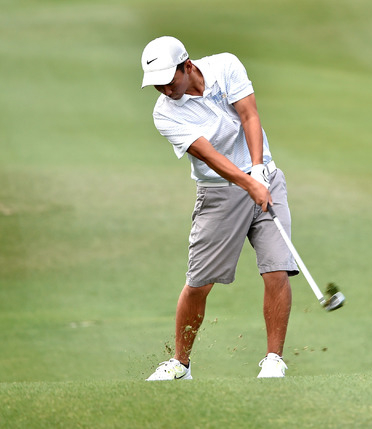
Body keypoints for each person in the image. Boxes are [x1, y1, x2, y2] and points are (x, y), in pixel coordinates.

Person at [140, 36, 298, 380]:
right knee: (198, 283)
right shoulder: (164, 115)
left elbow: (250, 115)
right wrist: (248, 183)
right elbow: (210, 157)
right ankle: (181, 364)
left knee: (277, 269)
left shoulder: (225, 65)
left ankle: (274, 359)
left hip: (266, 178)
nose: (165, 91)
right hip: (218, 194)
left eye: (169, 81)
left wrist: (258, 172)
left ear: (188, 66)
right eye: (157, 86)